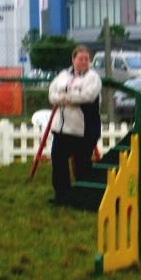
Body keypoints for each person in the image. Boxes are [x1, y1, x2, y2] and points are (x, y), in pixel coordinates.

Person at [47, 45, 102, 204]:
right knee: (58, 160)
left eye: (87, 59)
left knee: (83, 165)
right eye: (80, 58)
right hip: (62, 129)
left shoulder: (93, 77)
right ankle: (62, 195)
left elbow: (88, 96)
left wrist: (65, 97)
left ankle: (84, 197)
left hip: (84, 130)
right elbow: (52, 94)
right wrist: (65, 97)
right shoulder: (63, 75)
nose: (84, 61)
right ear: (73, 59)